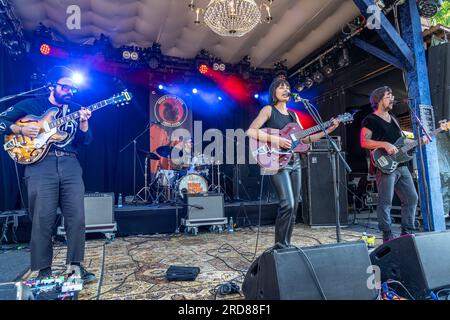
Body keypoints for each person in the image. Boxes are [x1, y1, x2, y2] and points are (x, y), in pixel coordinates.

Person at [0, 66, 96, 282]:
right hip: (40, 166)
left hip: (70, 164)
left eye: (73, 89)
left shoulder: (75, 109)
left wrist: (83, 122)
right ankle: (43, 270)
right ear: (52, 86)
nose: (70, 91)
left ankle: (75, 266)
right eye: (65, 87)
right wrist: (20, 130)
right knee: (43, 218)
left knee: (77, 218)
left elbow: (86, 141)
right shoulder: (31, 105)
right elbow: (2, 121)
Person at [246, 78, 340, 247]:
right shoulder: (269, 110)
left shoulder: (293, 115)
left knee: (294, 206)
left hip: (295, 161)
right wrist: (277, 140)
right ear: (273, 92)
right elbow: (251, 131)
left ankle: (285, 245)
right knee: (287, 204)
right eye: (280, 87)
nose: (285, 89)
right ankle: (279, 246)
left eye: (287, 86)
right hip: (276, 161)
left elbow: (305, 139)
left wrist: (327, 129)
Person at [360, 86, 429, 242]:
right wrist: (384, 144)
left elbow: (402, 141)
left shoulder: (394, 119)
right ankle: (387, 234)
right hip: (385, 166)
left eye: (391, 96)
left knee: (411, 198)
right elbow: (364, 142)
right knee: (385, 202)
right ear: (378, 100)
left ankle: (406, 231)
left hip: (401, 166)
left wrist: (419, 141)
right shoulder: (370, 119)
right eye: (388, 96)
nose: (392, 99)